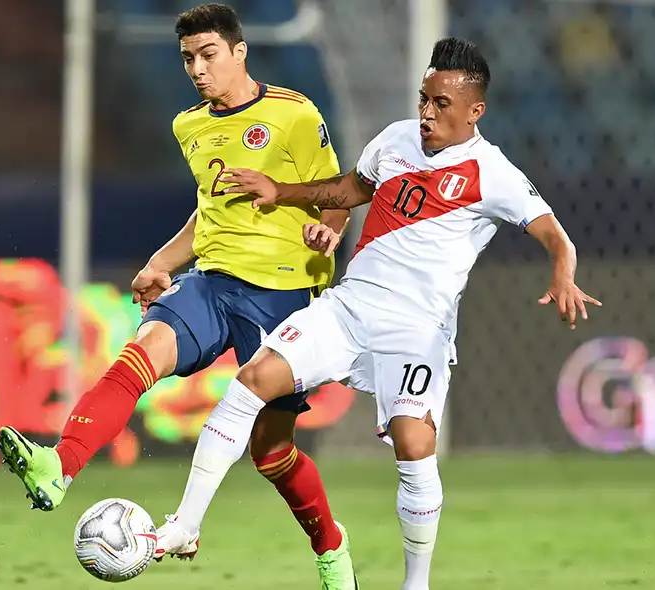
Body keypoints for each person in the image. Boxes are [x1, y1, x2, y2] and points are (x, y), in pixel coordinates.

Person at [153, 37, 603, 590]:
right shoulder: (396, 138)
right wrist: (283, 191)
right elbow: (348, 190)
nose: (426, 113)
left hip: (418, 330)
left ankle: (416, 583)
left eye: (441, 104)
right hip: (352, 304)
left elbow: (556, 235)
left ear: (474, 111)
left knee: (415, 447)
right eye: (423, 99)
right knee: (252, 381)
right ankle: (185, 524)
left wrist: (563, 276)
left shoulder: (493, 173)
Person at [0, 4, 358, 588]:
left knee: (271, 453)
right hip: (212, 283)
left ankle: (330, 546)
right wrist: (161, 262)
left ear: (240, 51)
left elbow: (339, 189)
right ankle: (58, 466)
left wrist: (331, 229)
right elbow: (209, 210)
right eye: (188, 58)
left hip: (284, 296)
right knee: (139, 355)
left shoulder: (293, 114)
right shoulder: (190, 125)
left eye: (209, 54)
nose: (198, 68)